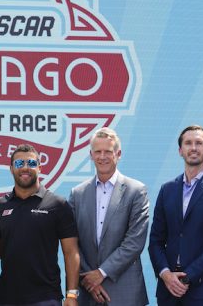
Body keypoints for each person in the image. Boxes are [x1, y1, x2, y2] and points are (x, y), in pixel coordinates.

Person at [149, 125, 203, 306]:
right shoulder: (167, 190)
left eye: (199, 143)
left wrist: (187, 278)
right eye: (188, 143)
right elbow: (156, 241)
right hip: (168, 291)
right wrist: (165, 274)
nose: (193, 148)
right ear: (181, 151)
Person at [0, 144, 80, 306]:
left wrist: (72, 295)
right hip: (8, 297)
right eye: (19, 164)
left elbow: (71, 253)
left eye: (31, 163)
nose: (25, 168)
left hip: (46, 297)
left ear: (39, 167)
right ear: (11, 169)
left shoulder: (58, 204)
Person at [67, 127, 149, 305]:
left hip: (125, 292)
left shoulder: (136, 191)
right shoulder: (77, 193)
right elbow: (72, 243)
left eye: (108, 151)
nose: (102, 156)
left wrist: (101, 273)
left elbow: (134, 242)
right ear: (91, 155)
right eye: (97, 151)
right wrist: (89, 280)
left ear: (118, 154)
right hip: (88, 290)